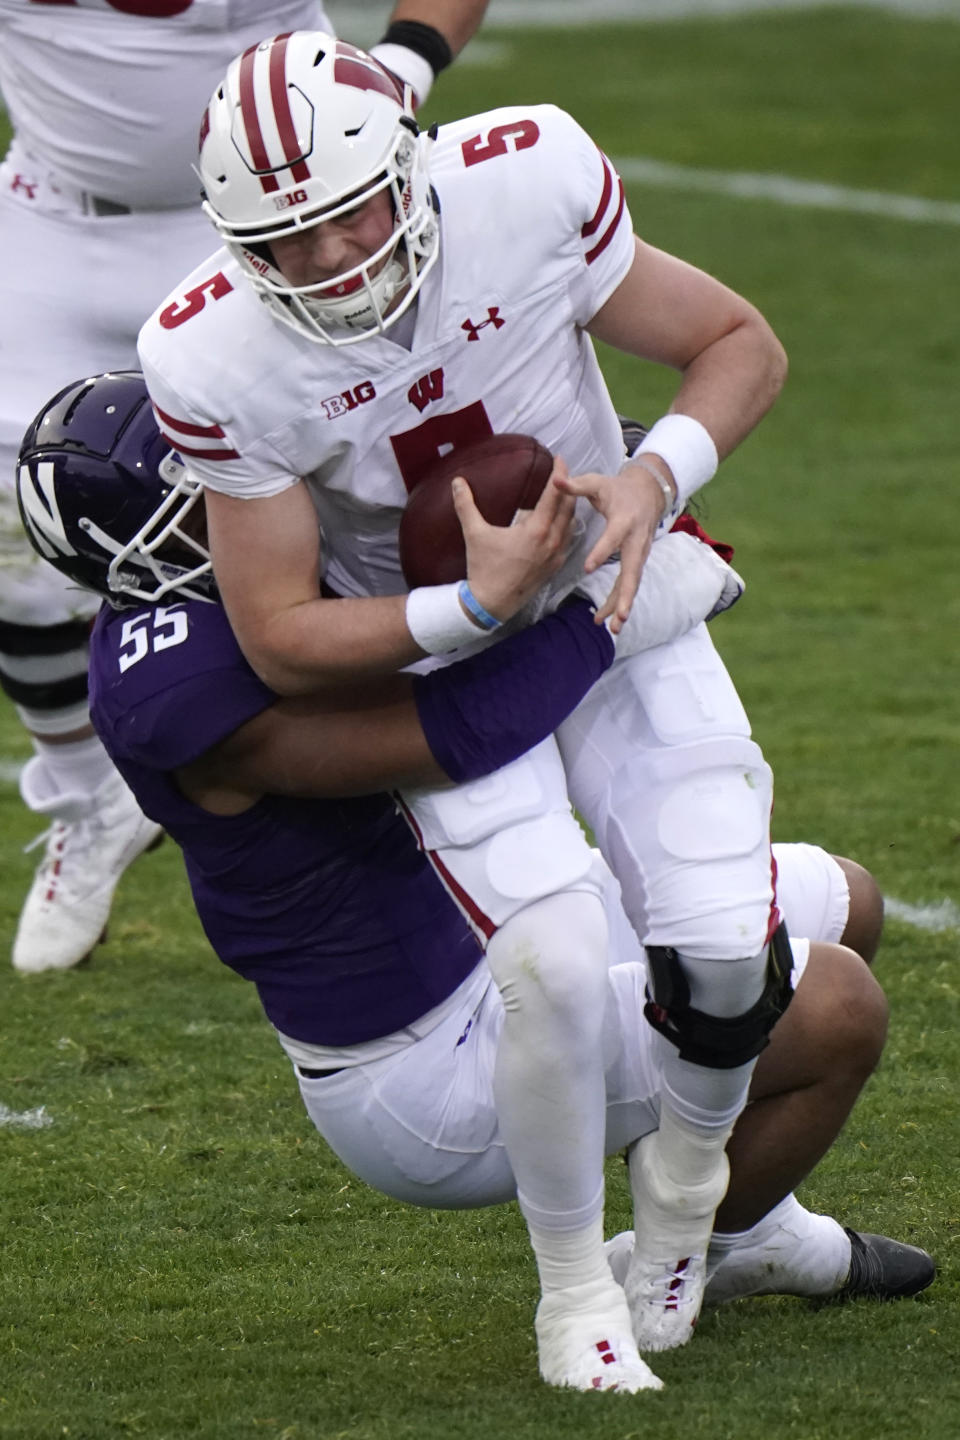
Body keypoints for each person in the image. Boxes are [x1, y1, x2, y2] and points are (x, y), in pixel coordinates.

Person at [15, 371, 936, 1394]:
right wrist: (602, 616)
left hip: (493, 908)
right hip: (420, 1060)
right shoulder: (178, 697)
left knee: (846, 903)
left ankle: (750, 1227)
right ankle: (673, 1254)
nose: (253, 509)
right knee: (838, 1008)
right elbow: (455, 734)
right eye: (208, 505)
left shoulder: (266, 582)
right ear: (143, 560)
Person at [136, 31, 796, 1375]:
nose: (325, 265)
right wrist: (477, 611)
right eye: (283, 246)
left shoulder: (529, 177)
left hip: (613, 578)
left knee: (728, 948)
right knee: (550, 967)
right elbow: (276, 634)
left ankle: (681, 1203)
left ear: (408, 169)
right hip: (435, 651)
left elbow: (738, 341)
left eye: (343, 220)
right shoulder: (209, 354)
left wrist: (652, 481)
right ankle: (575, 1299)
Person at [0, 0, 491, 975]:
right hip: (50, 212)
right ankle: (84, 791)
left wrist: (408, 61)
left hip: (279, 230)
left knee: (352, 515)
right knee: (11, 547)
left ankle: (451, 827)